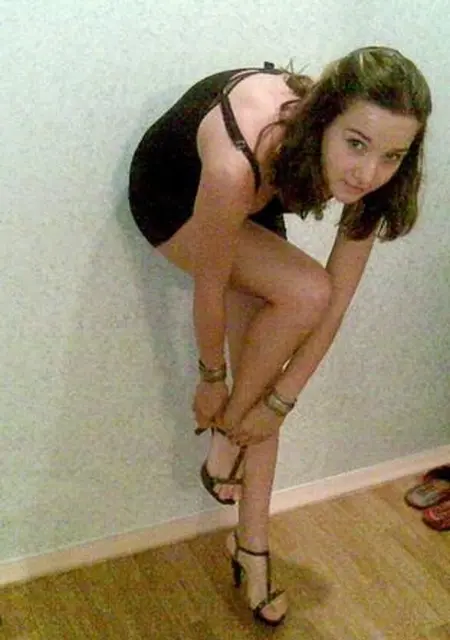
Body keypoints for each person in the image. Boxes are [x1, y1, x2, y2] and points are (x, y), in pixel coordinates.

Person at [128, 46, 432, 626]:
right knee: (305, 291)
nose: (368, 173)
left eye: (392, 155)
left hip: (255, 198)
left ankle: (252, 551)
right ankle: (228, 445)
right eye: (356, 144)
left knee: (267, 382)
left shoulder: (370, 176)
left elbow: (337, 307)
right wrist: (211, 378)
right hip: (173, 195)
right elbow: (211, 285)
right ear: (324, 119)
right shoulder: (238, 161)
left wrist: (279, 403)